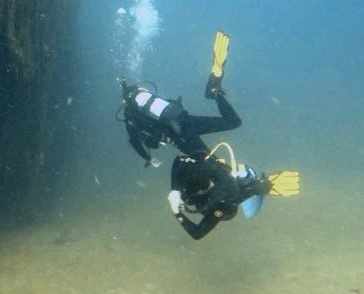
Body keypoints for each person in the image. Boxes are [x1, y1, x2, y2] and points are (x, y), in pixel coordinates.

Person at [119, 30, 239, 166]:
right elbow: (174, 106)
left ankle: (235, 181)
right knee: (233, 122)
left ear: (126, 99)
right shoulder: (153, 101)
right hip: (187, 120)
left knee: (210, 163)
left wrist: (148, 158)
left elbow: (135, 141)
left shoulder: (130, 112)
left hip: (177, 134)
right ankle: (215, 92)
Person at [166, 143, 301, 239]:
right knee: (247, 188)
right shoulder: (195, 170)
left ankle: (254, 182)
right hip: (226, 190)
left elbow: (197, 233)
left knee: (235, 200)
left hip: (226, 203)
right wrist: (175, 190)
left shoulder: (224, 201)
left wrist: (177, 212)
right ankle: (254, 183)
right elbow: (178, 161)